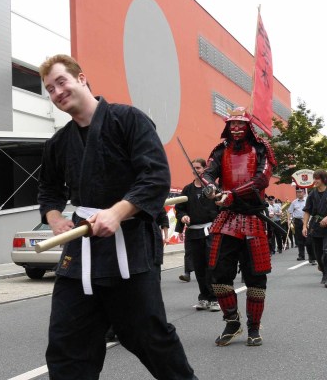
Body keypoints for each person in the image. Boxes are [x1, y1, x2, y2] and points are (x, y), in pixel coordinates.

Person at [37, 54, 197, 379]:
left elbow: (155, 176)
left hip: (130, 243)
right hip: (81, 251)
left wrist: (118, 211)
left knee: (148, 336)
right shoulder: (59, 143)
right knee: (67, 343)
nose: (57, 92)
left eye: (61, 82)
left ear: (81, 78)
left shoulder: (128, 120)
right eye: (50, 89)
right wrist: (54, 218)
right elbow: (49, 190)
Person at [202, 107, 276, 347]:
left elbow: (261, 179)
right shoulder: (220, 150)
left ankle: (254, 327)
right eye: (232, 124)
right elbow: (208, 174)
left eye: (240, 124)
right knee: (218, 274)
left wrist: (232, 193)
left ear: (248, 126)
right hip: (227, 219)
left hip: (253, 218)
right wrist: (211, 187)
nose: (235, 128)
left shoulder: (262, 149)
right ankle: (232, 322)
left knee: (256, 277)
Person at [175, 158, 220, 311]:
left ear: (205, 169)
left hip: (210, 231)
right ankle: (204, 297)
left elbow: (222, 206)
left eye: (198, 168)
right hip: (193, 232)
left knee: (211, 265)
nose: (196, 171)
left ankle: (214, 298)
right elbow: (180, 208)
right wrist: (183, 217)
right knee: (199, 267)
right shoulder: (187, 189)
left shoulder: (213, 188)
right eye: (193, 168)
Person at [303, 169, 327, 287]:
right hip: (316, 226)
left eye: (317, 178)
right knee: (318, 254)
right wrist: (304, 226)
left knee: (326, 252)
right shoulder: (312, 194)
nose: (315, 181)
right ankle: (323, 270)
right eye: (314, 178)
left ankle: (326, 276)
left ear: (323, 179)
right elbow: (307, 211)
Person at [288, 187, 315, 262]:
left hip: (307, 221)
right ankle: (301, 255)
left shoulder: (308, 200)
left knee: (309, 240)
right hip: (298, 221)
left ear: (304, 192)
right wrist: (289, 220)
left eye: (300, 192)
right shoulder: (294, 202)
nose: (299, 194)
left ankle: (311, 257)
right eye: (298, 192)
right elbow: (289, 211)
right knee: (299, 240)